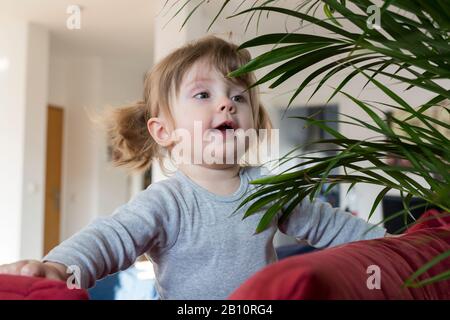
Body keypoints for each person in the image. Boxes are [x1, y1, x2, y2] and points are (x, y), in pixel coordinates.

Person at [0, 36, 388, 300]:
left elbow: (331, 224)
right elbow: (110, 237)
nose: (227, 104)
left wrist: (392, 246)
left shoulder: (269, 188)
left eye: (239, 95)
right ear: (164, 130)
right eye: (203, 94)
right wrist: (59, 266)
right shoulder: (168, 201)